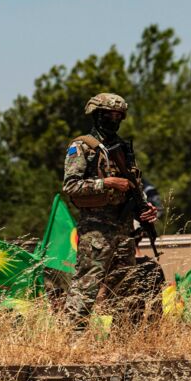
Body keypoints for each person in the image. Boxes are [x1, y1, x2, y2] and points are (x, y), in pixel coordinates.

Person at [62, 93, 158, 327]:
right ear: (97, 115)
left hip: (124, 230)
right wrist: (106, 183)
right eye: (109, 114)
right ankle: (71, 339)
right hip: (96, 231)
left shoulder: (123, 148)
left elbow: (134, 186)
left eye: (118, 115)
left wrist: (144, 209)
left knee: (126, 289)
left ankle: (124, 340)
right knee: (87, 286)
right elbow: (70, 186)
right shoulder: (82, 146)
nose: (114, 119)